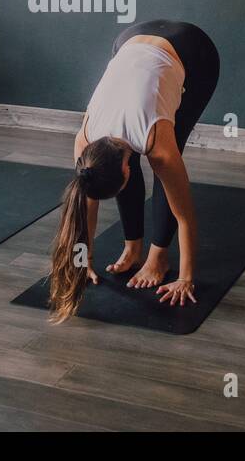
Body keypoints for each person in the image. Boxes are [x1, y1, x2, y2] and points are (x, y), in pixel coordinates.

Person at [49, 19, 219, 320]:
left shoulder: (156, 141)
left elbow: (185, 216)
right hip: (129, 39)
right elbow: (85, 203)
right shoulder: (85, 144)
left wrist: (185, 278)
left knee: (167, 168)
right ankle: (132, 248)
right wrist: (82, 258)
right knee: (126, 159)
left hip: (192, 49)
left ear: (126, 172)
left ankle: (158, 256)